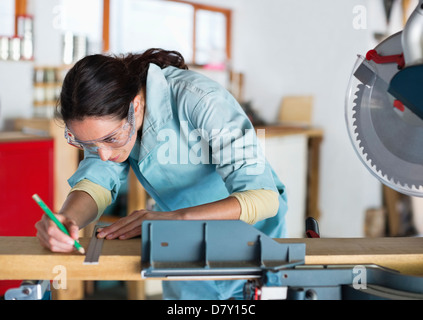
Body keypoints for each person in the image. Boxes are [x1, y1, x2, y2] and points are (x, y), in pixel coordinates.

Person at [35, 48, 288, 300]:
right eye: (87, 144)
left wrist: (175, 220)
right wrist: (67, 221)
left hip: (249, 244)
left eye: (111, 138)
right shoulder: (107, 130)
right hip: (184, 245)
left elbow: (262, 198)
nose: (101, 153)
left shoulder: (201, 99)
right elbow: (96, 181)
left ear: (135, 105)